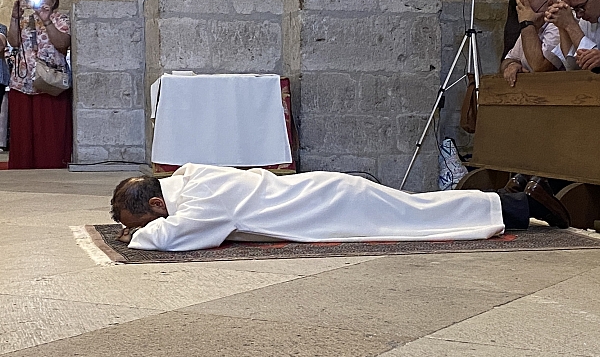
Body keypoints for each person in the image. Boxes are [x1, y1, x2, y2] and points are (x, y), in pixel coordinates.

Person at [110, 164, 571, 252]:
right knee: (418, 211)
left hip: (331, 205)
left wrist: (140, 235)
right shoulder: (189, 178)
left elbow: (171, 238)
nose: (151, 223)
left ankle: (522, 203)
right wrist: (138, 224)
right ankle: (516, 200)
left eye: (146, 217)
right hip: (326, 198)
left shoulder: (199, 203)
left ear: (156, 201)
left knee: (422, 218)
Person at [6, 0, 72, 169]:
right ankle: (22, 169)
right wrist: (14, 18)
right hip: (23, 82)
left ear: (53, 0)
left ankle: (51, 167)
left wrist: (47, 20)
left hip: (50, 84)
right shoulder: (26, 21)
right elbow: (13, 42)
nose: (40, 1)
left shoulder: (61, 19)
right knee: (23, 134)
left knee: (50, 133)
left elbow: (62, 44)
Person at [500, 0, 563, 86]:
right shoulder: (533, 25)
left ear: (550, 4)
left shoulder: (559, 23)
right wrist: (512, 65)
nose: (525, 14)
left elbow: (540, 67)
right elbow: (507, 60)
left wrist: (527, 23)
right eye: (523, 10)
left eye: (530, 10)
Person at [545, 0, 600, 71]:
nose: (579, 15)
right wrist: (562, 25)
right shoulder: (586, 20)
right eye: (575, 9)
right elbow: (573, 66)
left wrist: (570, 24)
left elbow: (595, 66)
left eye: (581, 7)